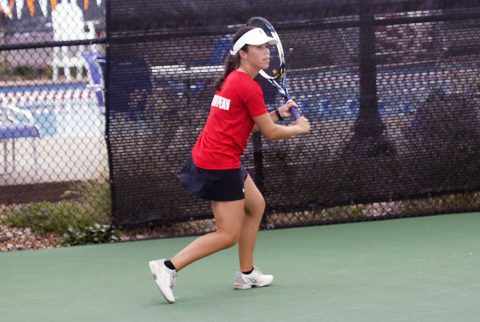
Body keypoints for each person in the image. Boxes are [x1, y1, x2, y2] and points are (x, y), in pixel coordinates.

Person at [148, 25, 310, 303]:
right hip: (219, 164)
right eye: (259, 47)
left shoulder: (233, 80)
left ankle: (246, 273)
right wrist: (298, 128)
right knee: (227, 234)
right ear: (244, 54)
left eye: (267, 47)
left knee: (256, 204)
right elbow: (269, 133)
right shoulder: (247, 86)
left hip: (213, 156)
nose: (266, 52)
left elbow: (249, 126)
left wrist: (278, 114)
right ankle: (168, 267)